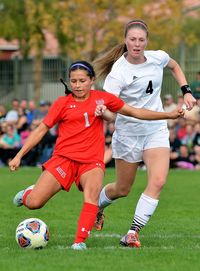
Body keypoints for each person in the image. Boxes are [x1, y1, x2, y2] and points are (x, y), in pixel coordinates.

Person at [9, 60, 183, 250]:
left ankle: (79, 242)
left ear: (91, 80)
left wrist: (168, 115)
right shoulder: (62, 104)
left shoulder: (102, 99)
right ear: (69, 81)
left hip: (92, 162)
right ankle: (28, 194)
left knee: (91, 197)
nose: (77, 85)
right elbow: (41, 130)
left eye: (82, 81)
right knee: (35, 203)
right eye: (74, 81)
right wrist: (19, 155)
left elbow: (135, 111)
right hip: (64, 159)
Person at [93, 19, 196, 248]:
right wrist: (104, 113)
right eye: (132, 39)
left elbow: (175, 66)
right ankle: (97, 207)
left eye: (141, 40)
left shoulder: (157, 57)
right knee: (122, 189)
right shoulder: (118, 73)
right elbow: (112, 115)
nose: (137, 44)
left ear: (147, 41)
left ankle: (132, 232)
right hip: (128, 133)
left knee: (158, 181)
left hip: (155, 129)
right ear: (125, 40)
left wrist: (186, 92)